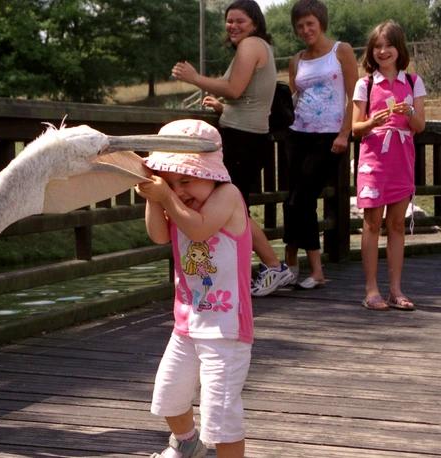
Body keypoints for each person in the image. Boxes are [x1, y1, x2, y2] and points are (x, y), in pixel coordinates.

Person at [135, 119, 252, 458]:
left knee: (221, 417)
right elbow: (159, 234)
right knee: (169, 395)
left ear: (212, 172)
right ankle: (187, 444)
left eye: (185, 179)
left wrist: (167, 197)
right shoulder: (178, 203)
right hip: (187, 323)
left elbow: (199, 231)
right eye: (170, 181)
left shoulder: (227, 196)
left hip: (225, 330)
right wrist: (154, 197)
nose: (179, 189)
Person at [171, 0, 293, 297]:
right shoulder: (256, 47)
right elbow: (247, 97)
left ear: (254, 22)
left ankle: (273, 266)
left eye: (240, 20)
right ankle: (256, 269)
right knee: (235, 207)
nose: (233, 26)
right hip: (248, 136)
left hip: (244, 140)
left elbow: (236, 89)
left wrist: (195, 78)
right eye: (229, 21)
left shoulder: (251, 45)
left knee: (233, 209)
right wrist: (223, 108)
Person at [282, 0, 358, 289]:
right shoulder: (297, 59)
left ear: (321, 23)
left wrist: (344, 133)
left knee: (301, 200)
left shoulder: (342, 51)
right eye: (300, 26)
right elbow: (292, 99)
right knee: (293, 200)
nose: (305, 30)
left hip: (329, 137)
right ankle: (293, 266)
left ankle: (312, 270)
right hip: (297, 134)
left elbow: (356, 96)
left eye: (310, 24)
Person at [351, 20, 426, 311]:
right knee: (371, 223)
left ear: (399, 48)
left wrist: (408, 112)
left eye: (389, 45)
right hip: (373, 160)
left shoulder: (412, 82)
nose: (383, 51)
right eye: (377, 46)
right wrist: (373, 121)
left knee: (396, 224)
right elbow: (356, 127)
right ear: (371, 51)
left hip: (401, 159)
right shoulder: (365, 83)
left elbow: (418, 125)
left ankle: (396, 290)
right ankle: (371, 290)